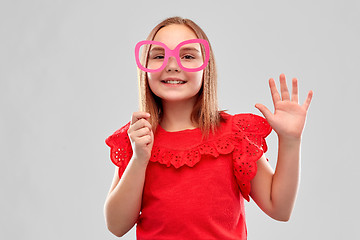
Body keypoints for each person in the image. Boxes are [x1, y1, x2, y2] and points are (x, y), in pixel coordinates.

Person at [103, 16, 313, 240]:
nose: (172, 65)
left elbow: (279, 208)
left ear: (207, 67)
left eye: (188, 56)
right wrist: (139, 159)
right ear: (145, 67)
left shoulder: (235, 135)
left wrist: (290, 140)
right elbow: (116, 225)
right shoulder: (137, 137)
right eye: (159, 56)